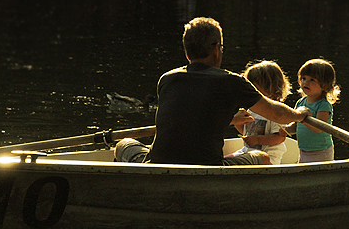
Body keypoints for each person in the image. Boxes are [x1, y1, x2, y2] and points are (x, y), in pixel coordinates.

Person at [114, 17, 311, 166]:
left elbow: (194, 115)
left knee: (123, 144)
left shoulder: (167, 79)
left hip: (157, 165)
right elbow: (277, 114)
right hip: (209, 167)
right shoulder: (232, 82)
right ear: (217, 49)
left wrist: (231, 119)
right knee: (262, 157)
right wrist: (300, 114)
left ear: (186, 52)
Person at [226, 60, 292, 165]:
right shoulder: (252, 108)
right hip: (247, 152)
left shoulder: (276, 112)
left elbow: (279, 138)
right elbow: (246, 131)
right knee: (224, 160)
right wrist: (238, 122)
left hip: (268, 159)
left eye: (253, 87)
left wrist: (257, 139)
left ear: (271, 88)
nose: (249, 90)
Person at [293, 58, 340, 162]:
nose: (306, 82)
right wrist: (285, 130)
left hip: (321, 151)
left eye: (312, 80)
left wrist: (303, 119)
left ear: (324, 85)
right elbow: (296, 125)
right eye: (304, 78)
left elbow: (319, 128)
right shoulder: (300, 103)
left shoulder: (323, 105)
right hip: (303, 150)